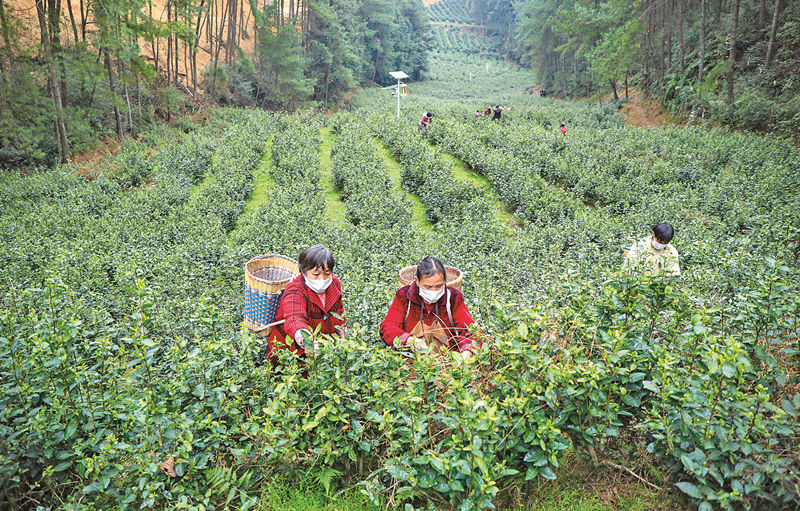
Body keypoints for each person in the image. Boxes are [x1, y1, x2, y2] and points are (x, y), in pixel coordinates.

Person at [381, 256, 478, 359]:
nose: (433, 291)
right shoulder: (404, 297)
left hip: (448, 364)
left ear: (445, 281)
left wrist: (467, 350)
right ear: (417, 281)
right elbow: (387, 328)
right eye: (427, 287)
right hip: (411, 364)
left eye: (439, 286)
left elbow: (470, 330)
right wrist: (409, 340)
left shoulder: (454, 299)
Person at [268, 245, 346, 360]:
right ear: (304, 272)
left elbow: (340, 310)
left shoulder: (334, 283)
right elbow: (294, 318)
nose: (322, 279)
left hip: (324, 349)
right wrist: (306, 340)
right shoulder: (296, 290)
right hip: (292, 354)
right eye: (316, 274)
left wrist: (342, 331)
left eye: (327, 273)